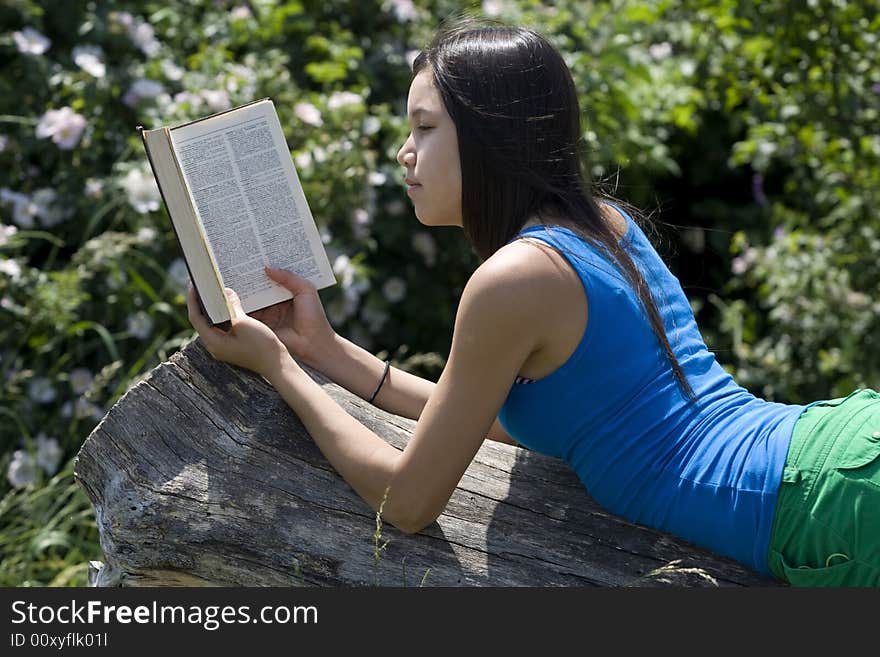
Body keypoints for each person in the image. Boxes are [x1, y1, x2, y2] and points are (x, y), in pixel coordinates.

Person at [186, 20, 880, 587]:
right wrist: (321, 350)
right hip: (829, 461)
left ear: (487, 135)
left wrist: (279, 368)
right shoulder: (601, 224)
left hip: (824, 508)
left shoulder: (514, 278)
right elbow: (505, 420)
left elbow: (407, 501)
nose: (403, 152)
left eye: (424, 128)